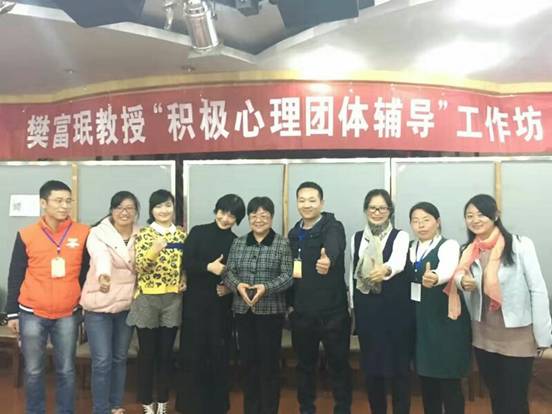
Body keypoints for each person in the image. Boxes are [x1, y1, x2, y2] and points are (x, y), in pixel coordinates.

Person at [448, 194, 552, 414]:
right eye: (469, 216)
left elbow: (538, 290)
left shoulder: (520, 245)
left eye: (481, 214)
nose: (475, 220)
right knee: (496, 396)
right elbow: (458, 275)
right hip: (484, 335)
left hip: (517, 336)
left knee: (515, 399)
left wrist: (543, 337)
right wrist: (462, 281)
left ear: (495, 215)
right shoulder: (468, 250)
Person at [6, 180, 90, 414]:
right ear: (43, 203)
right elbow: (15, 274)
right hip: (31, 312)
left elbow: (86, 273)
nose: (64, 206)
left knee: (66, 369)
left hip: (68, 313)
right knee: (33, 370)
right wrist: (12, 313)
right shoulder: (26, 234)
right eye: (58, 201)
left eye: (68, 201)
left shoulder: (83, 233)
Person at [176, 194, 246, 414]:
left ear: (237, 219)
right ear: (216, 210)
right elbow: (186, 262)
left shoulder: (236, 242)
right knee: (192, 354)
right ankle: (189, 405)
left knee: (218, 355)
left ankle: (217, 405)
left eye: (231, 216)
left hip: (220, 307)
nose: (225, 218)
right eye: (222, 212)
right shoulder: (198, 232)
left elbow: (240, 274)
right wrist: (208, 267)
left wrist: (229, 287)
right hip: (195, 304)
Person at [224, 196, 293, 414]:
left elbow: (288, 276)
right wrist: (238, 286)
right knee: (248, 364)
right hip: (243, 311)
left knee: (269, 365)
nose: (258, 219)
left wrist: (266, 287)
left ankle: (269, 409)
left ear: (271, 218)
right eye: (254, 215)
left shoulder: (282, 243)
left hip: (271, 313)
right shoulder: (238, 242)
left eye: (264, 215)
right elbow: (228, 272)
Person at [288, 182, 352, 414]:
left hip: (333, 313)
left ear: (322, 203)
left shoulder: (332, 226)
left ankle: (342, 408)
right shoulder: (294, 233)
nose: (307, 205)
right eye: (302, 200)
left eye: (312, 200)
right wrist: (291, 305)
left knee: (338, 365)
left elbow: (334, 245)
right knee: (304, 366)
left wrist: (328, 259)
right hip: (303, 313)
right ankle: (306, 408)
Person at [349, 189, 413, 414]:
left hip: (395, 310)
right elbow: (353, 273)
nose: (377, 212)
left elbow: (398, 261)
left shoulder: (400, 236)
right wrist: (353, 305)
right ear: (366, 210)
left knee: (399, 367)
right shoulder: (357, 237)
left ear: (390, 211)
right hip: (367, 310)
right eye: (372, 208)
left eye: (382, 208)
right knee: (372, 366)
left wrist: (385, 270)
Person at [80, 191, 141, 414]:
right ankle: (100, 409)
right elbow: (100, 256)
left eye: (130, 208)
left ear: (136, 212)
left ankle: (115, 405)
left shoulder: (142, 234)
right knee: (102, 360)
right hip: (99, 305)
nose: (124, 212)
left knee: (119, 358)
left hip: (126, 305)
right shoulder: (97, 232)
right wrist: (104, 275)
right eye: (119, 207)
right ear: (112, 210)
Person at [127, 189, 187, 414]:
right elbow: (139, 266)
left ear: (174, 208)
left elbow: (184, 265)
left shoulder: (181, 235)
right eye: (158, 206)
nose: (164, 210)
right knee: (147, 353)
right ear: (152, 210)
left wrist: (184, 278)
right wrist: (153, 250)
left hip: (173, 300)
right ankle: (146, 401)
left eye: (168, 205)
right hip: (147, 299)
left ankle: (162, 400)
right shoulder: (144, 234)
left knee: (166, 353)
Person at [408, 202, 471, 414]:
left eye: (426, 220)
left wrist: (434, 276)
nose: (421, 225)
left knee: (449, 382)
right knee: (427, 383)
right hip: (421, 323)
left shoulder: (448, 245)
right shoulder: (410, 248)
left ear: (438, 222)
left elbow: (447, 268)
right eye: (416, 221)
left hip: (446, 322)